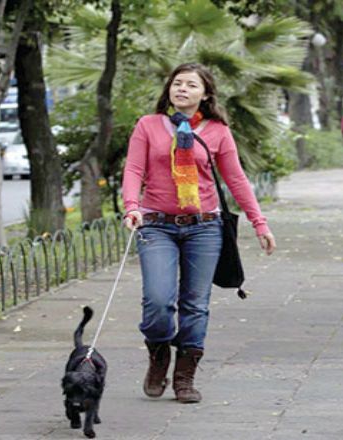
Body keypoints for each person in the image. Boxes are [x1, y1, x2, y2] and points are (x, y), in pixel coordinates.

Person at [121, 63, 276, 404]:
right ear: (169, 90)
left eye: (191, 85)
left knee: (195, 304)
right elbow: (134, 168)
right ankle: (159, 350)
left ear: (205, 94)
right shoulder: (148, 125)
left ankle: (184, 376)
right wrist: (132, 205)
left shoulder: (218, 131)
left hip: (205, 228)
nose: (182, 89)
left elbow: (236, 179)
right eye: (177, 84)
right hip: (156, 224)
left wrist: (259, 223)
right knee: (158, 301)